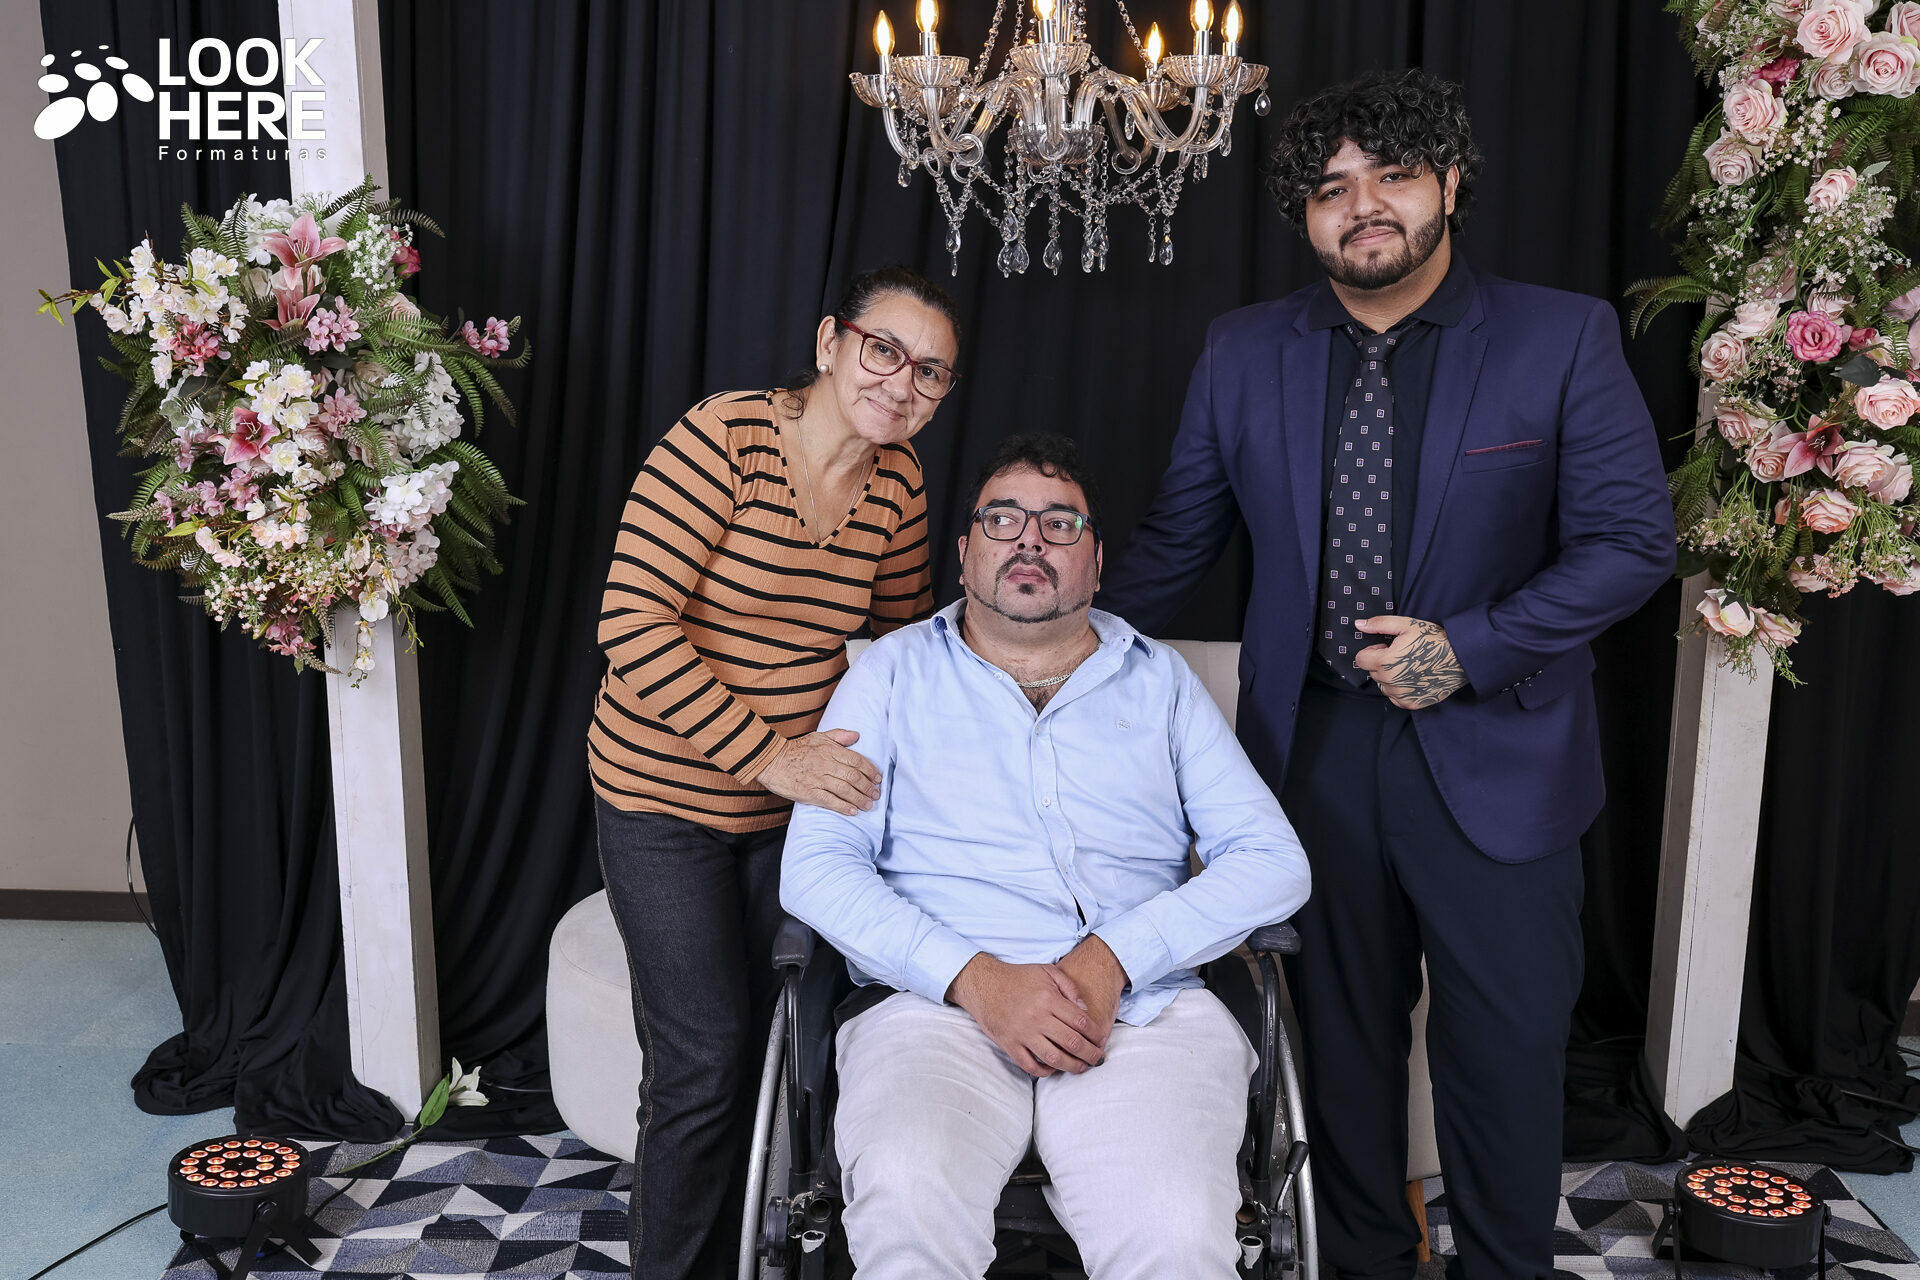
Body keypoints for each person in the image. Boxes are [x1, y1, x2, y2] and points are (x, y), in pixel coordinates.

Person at [1097, 69, 1676, 1280]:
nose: (1362, 206)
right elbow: (1175, 546)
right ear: (1305, 217)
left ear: (1449, 184)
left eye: (1393, 176)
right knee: (1340, 1051)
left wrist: (1469, 646)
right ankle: (1362, 1259)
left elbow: (1631, 543)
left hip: (1501, 751)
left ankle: (1505, 1267)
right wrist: (1016, 645)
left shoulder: (1559, 336)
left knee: (1504, 1054)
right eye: (1330, 188)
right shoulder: (1242, 351)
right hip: (1309, 757)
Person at [781, 434, 1313, 1280]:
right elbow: (816, 868)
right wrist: (973, 978)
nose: (1030, 539)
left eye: (1061, 524)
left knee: (1176, 1231)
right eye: (1004, 519)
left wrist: (1114, 960)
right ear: (965, 552)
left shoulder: (1162, 683)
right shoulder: (889, 676)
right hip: (930, 1009)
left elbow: (1273, 859)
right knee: (906, 1193)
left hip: (1141, 1014)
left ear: (1095, 564)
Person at [589, 265, 960, 1279]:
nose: (902, 382)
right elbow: (629, 622)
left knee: (781, 1049)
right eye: (884, 350)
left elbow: (898, 643)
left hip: (797, 816)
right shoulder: (726, 439)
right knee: (703, 1058)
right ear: (830, 342)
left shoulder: (899, 482)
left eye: (930, 371)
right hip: (662, 798)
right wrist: (769, 755)